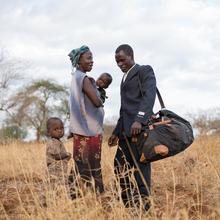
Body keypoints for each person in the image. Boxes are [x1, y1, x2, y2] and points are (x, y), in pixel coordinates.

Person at [108, 44, 156, 211]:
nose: (120, 64)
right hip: (125, 133)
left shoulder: (144, 70)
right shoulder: (124, 78)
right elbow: (124, 109)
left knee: (140, 169)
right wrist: (116, 132)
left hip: (139, 130)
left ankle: (146, 206)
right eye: (117, 62)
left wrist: (140, 119)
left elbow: (149, 96)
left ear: (131, 57)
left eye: (122, 60)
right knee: (119, 167)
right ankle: (128, 203)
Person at [67, 45, 104, 199]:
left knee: (81, 163)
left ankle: (76, 195)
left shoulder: (76, 77)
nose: (92, 61)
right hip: (89, 130)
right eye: (88, 58)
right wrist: (99, 93)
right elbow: (96, 102)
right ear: (79, 60)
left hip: (81, 129)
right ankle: (95, 195)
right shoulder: (83, 78)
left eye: (92, 58)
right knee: (92, 164)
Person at [39, 117, 71, 204]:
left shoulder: (57, 141)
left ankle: (48, 202)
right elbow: (56, 156)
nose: (60, 131)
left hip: (59, 170)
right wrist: (67, 154)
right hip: (55, 170)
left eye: (61, 128)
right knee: (56, 186)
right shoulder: (53, 142)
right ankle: (48, 202)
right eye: (55, 129)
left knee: (51, 186)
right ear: (49, 132)